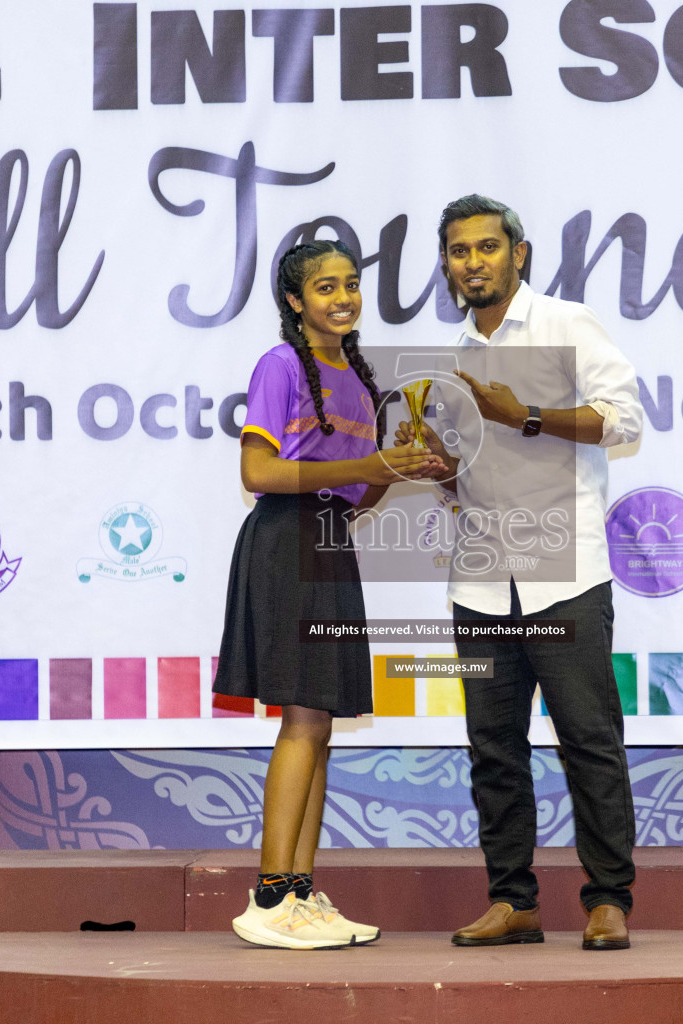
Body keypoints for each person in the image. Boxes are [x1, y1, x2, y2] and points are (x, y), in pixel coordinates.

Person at [399, 195, 644, 951]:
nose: (472, 262)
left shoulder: (567, 325)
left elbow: (626, 421)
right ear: (446, 264)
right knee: (493, 749)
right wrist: (440, 472)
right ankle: (514, 901)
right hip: (478, 579)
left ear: (519, 254)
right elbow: (468, 470)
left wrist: (528, 416)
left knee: (588, 740)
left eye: (486, 248)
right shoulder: (451, 358)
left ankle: (608, 900)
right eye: (458, 251)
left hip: (564, 575)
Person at [216, 239, 445, 949]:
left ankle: (301, 893)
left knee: (318, 725)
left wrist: (403, 467)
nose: (342, 297)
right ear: (295, 301)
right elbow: (258, 471)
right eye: (325, 287)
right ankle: (269, 896)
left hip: (331, 541)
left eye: (351, 284)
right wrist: (370, 461)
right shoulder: (280, 365)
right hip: (286, 543)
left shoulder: (358, 378)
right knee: (302, 720)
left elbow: (358, 490)